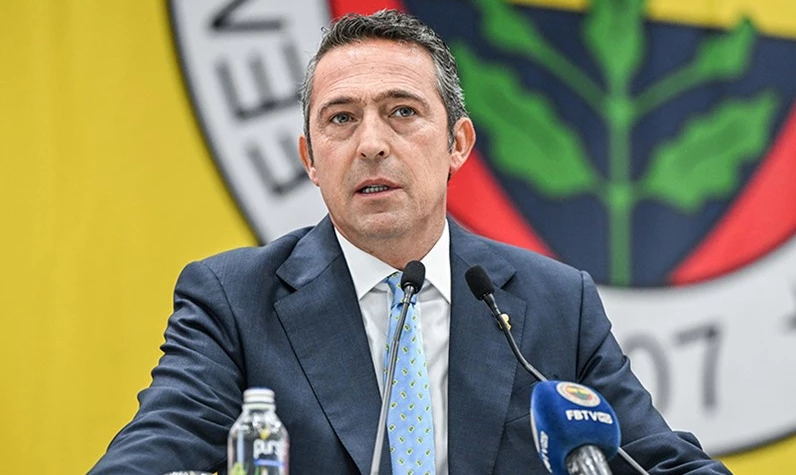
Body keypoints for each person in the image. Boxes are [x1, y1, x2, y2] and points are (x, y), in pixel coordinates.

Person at [89, 10, 731, 475]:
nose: (371, 144)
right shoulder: (234, 301)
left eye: (402, 112)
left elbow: (662, 461)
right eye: (342, 118)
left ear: (457, 144)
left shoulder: (555, 304)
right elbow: (148, 457)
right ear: (310, 158)